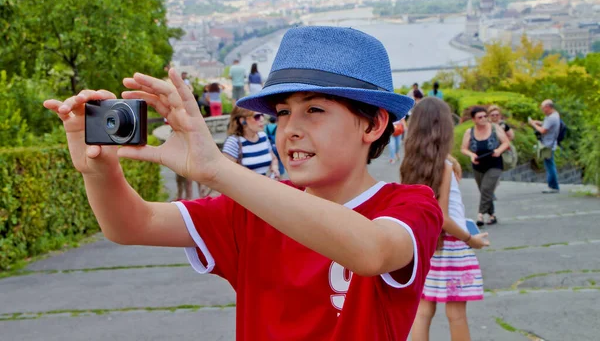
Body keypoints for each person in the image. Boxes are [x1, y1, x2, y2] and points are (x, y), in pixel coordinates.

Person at [43, 26, 443, 340]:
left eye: (315, 110)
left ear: (373, 124)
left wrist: (216, 169)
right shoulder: (251, 207)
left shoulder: (411, 205)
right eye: (282, 113)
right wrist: (98, 170)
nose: (290, 130)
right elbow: (132, 224)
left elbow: (371, 251)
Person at [401, 98, 489, 341]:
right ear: (444, 129)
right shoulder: (445, 167)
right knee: (456, 312)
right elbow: (443, 217)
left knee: (423, 309)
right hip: (452, 246)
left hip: (428, 246)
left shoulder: (412, 164)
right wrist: (472, 239)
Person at [460, 106, 510, 226]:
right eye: (480, 117)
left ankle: (480, 215)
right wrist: (471, 155)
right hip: (478, 164)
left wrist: (499, 150)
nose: (483, 119)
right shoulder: (470, 132)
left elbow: (506, 142)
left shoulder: (494, 128)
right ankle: (492, 215)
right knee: (484, 191)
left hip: (494, 163)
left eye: (485, 116)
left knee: (486, 189)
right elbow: (463, 149)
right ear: (474, 119)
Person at [222, 106, 280, 178]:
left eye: (262, 115)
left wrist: (275, 167)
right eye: (257, 116)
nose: (262, 119)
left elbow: (273, 158)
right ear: (243, 120)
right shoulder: (233, 141)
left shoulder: (263, 136)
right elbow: (225, 171)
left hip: (266, 186)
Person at [528, 100, 560, 193]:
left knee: (549, 165)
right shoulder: (554, 115)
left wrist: (533, 124)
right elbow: (546, 124)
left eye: (543, 108)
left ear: (548, 107)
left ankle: (553, 186)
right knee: (549, 164)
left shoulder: (551, 118)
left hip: (548, 144)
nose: (542, 110)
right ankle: (553, 186)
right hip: (550, 143)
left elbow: (543, 130)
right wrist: (538, 122)